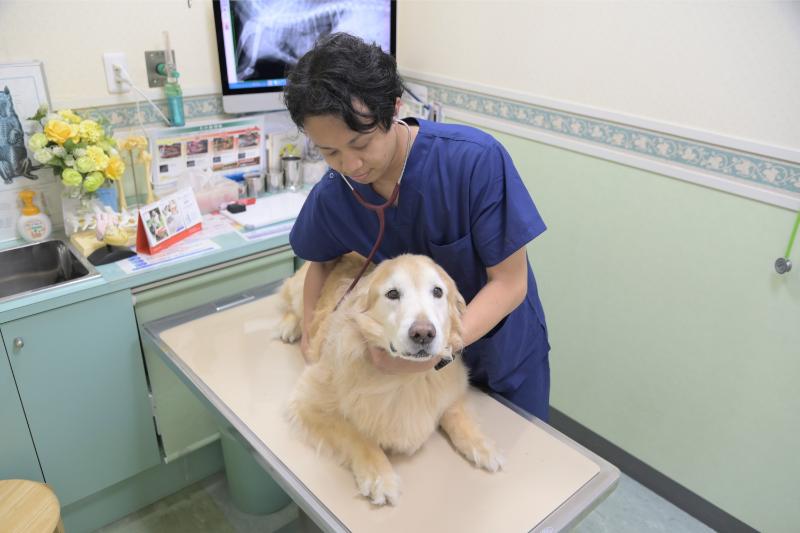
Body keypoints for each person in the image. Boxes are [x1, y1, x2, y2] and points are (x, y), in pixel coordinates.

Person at [283, 33, 551, 421]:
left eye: (361, 144)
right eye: (330, 152)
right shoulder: (334, 194)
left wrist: (440, 350)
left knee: (516, 454)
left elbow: (510, 283)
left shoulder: (473, 162)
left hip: (501, 357)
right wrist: (312, 329)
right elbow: (320, 263)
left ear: (394, 109)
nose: (351, 166)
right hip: (407, 368)